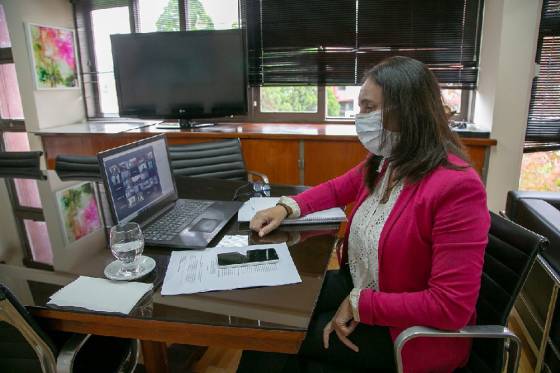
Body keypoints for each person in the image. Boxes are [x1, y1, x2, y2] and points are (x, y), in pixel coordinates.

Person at [237, 56, 490, 373]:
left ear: (406, 111)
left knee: (274, 335)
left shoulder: (457, 188)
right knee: (272, 313)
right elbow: (335, 189)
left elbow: (450, 306)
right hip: (361, 285)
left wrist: (362, 304)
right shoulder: (389, 160)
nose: (360, 118)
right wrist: (285, 206)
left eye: (369, 108)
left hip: (409, 333)